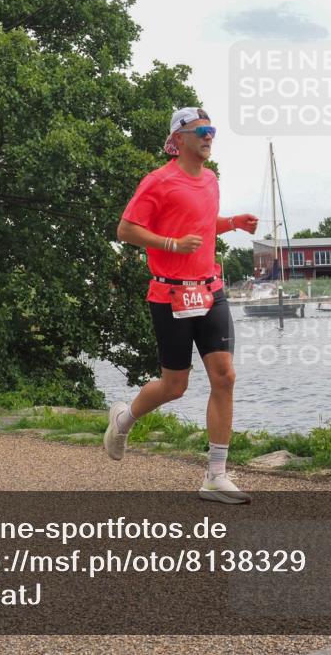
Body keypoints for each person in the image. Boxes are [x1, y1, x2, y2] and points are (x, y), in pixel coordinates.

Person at [110, 107, 258, 504]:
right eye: (202, 131)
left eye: (213, 131)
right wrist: (171, 245)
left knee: (224, 376)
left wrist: (233, 223)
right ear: (178, 139)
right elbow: (126, 229)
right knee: (175, 386)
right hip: (170, 293)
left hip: (209, 289)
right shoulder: (158, 181)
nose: (210, 137)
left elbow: (201, 223)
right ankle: (125, 418)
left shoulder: (210, 180)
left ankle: (215, 475)